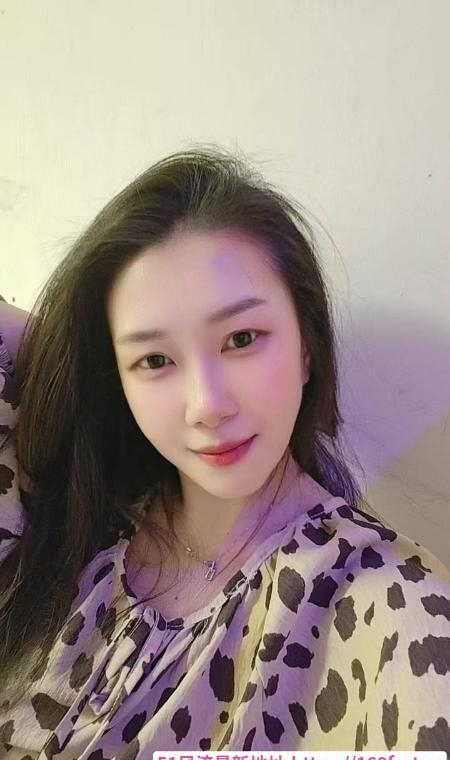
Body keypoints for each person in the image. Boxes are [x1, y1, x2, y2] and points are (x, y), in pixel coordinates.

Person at [0, 146, 449, 757]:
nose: (206, 405)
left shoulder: (388, 606)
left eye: (241, 338)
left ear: (307, 346)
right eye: (154, 359)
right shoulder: (75, 516)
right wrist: (61, 352)